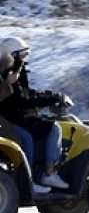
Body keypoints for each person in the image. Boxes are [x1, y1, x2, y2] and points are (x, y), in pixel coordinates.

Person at [0, 37, 69, 191]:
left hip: (13, 119)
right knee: (48, 130)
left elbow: (27, 94)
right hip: (9, 122)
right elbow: (23, 99)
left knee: (36, 131)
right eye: (22, 57)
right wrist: (52, 99)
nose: (24, 60)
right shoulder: (8, 76)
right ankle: (45, 175)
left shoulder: (12, 74)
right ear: (12, 56)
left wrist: (53, 96)